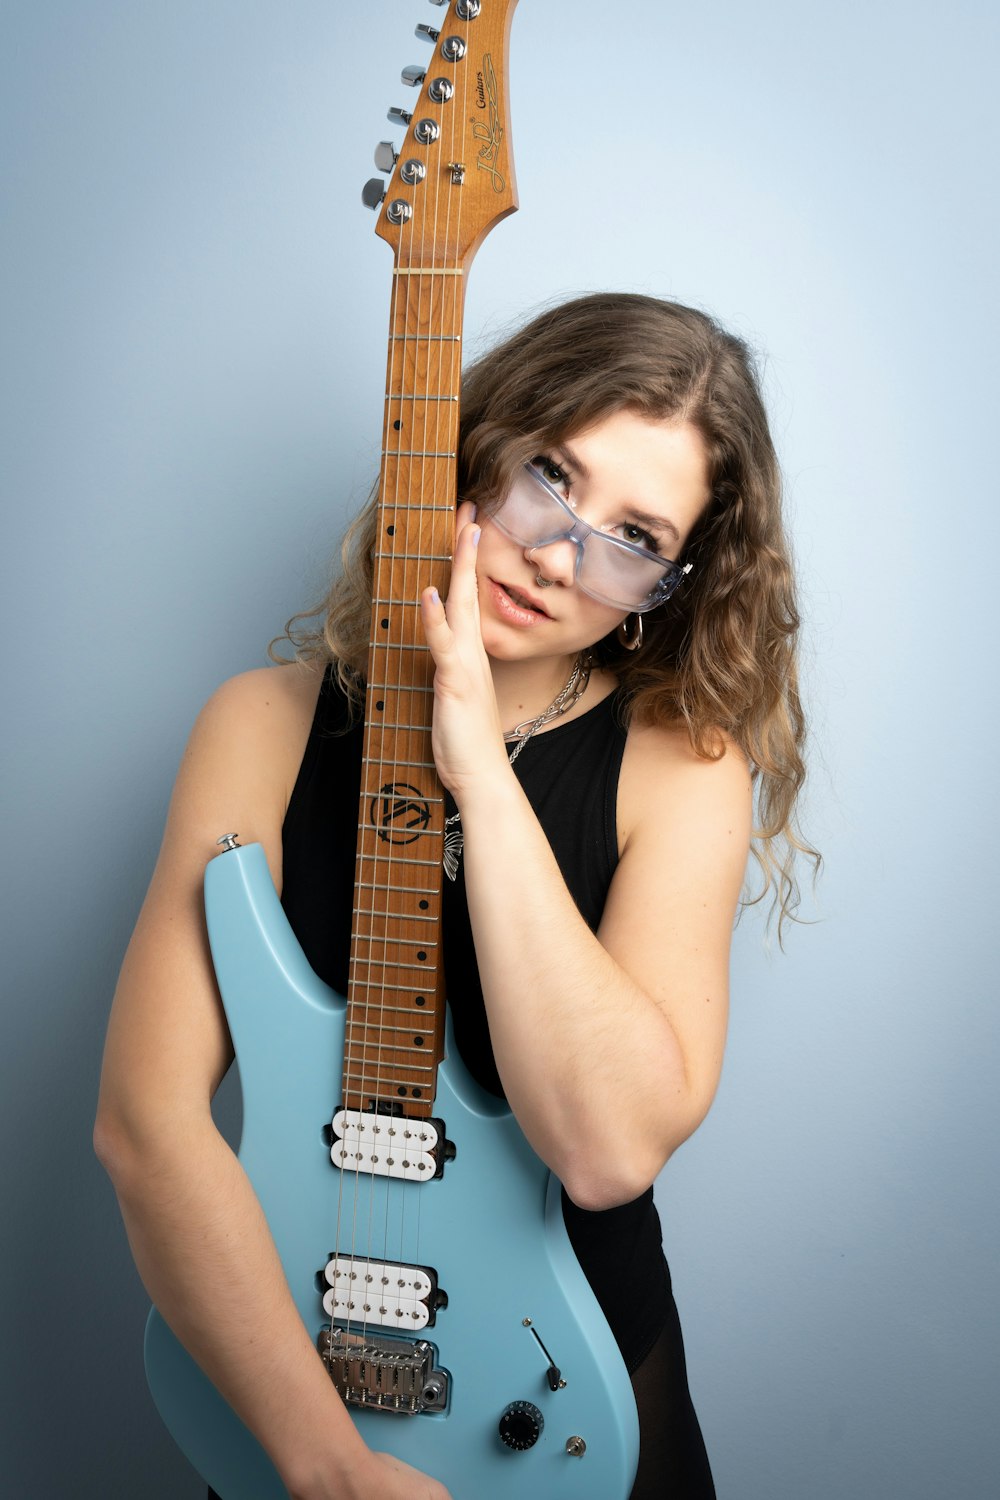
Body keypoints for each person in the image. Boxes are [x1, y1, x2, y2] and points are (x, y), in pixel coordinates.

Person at [95, 292, 814, 1500]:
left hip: (564, 1388)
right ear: (469, 445)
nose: (557, 553)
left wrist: (476, 764)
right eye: (551, 475)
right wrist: (327, 1470)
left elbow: (605, 1150)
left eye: (634, 536)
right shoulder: (258, 729)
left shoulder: (681, 765)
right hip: (292, 1388)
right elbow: (146, 1126)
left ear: (669, 590)